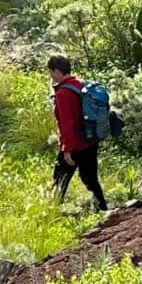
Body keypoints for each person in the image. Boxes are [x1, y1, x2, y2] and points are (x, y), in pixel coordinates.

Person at [48, 55, 109, 212]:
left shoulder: (62, 93)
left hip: (74, 145)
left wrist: (66, 149)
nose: (51, 76)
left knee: (59, 181)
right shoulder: (81, 84)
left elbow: (67, 124)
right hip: (89, 141)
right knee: (91, 180)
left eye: (51, 72)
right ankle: (103, 209)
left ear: (56, 71)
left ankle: (52, 215)